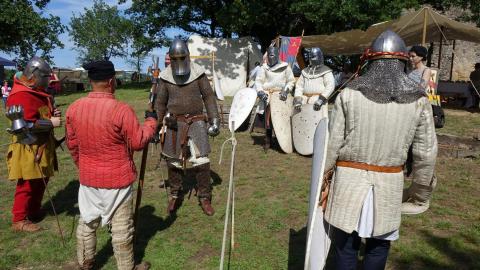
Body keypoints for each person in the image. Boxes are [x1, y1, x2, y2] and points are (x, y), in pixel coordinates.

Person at [323, 30, 437, 269]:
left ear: (372, 60)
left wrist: (322, 182)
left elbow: (331, 145)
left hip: (348, 181)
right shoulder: (418, 99)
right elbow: (426, 154)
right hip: (389, 183)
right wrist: (419, 193)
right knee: (378, 246)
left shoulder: (350, 94)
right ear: (402, 60)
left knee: (345, 244)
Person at [65, 60, 155, 270]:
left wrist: (86, 166)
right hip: (117, 179)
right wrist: (151, 123)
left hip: (89, 178)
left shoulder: (74, 108)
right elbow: (138, 142)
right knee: (122, 227)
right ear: (111, 81)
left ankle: (85, 263)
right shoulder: (121, 110)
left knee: (87, 222)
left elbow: (73, 145)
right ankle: (126, 267)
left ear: (90, 80)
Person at [155, 38, 220, 216]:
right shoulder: (165, 77)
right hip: (175, 123)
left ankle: (204, 196)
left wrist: (215, 120)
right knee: (173, 161)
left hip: (197, 121)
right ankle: (175, 194)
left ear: (188, 56)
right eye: (174, 58)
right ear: (170, 58)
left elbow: (208, 97)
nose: (178, 62)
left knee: (202, 161)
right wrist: (155, 125)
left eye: (181, 57)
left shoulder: (198, 73)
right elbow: (160, 104)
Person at [5, 56, 62, 232]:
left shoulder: (35, 91)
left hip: (42, 143)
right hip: (27, 145)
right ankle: (19, 219)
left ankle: (34, 210)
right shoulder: (20, 94)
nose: (47, 82)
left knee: (42, 178)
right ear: (35, 75)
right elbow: (23, 125)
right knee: (27, 182)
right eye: (45, 77)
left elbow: (39, 113)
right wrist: (50, 123)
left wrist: (52, 113)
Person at [254, 46, 295, 150]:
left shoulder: (286, 67)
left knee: (282, 118)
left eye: (273, 55)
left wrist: (286, 90)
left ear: (277, 55)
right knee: (268, 120)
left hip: (281, 97)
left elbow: (291, 81)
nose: (271, 57)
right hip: (268, 95)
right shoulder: (264, 67)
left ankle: (281, 140)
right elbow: (258, 81)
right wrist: (260, 92)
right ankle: (268, 140)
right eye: (269, 55)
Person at [293, 47, 335, 112]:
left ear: (319, 57)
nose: (312, 59)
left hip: (318, 101)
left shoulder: (326, 71)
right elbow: (299, 86)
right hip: (303, 101)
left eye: (314, 57)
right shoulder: (305, 71)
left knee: (318, 121)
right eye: (311, 57)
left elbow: (330, 86)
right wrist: (298, 98)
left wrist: (321, 99)